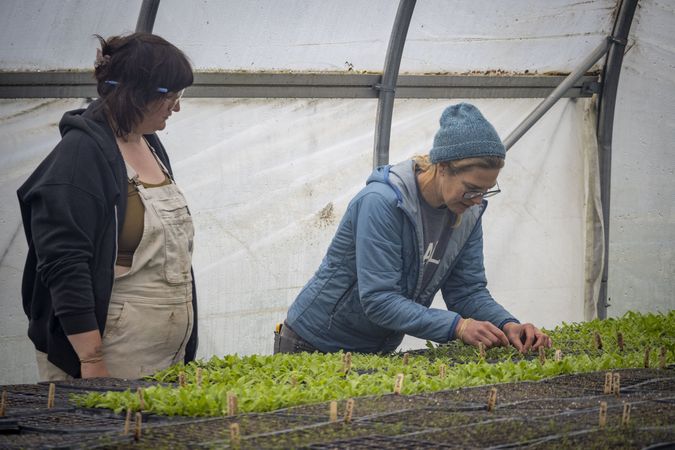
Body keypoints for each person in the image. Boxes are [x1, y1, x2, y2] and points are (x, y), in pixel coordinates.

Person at [276, 103, 551, 355]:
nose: (478, 200)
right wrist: (458, 327)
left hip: (375, 350)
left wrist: (507, 324)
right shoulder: (382, 202)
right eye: (472, 190)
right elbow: (379, 299)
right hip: (313, 343)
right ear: (443, 168)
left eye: (486, 191)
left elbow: (467, 291)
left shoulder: (468, 213)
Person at [17, 32, 198, 380]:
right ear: (138, 95)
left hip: (159, 358)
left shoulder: (149, 144)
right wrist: (92, 360)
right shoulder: (79, 158)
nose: (178, 106)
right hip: (109, 357)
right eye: (172, 95)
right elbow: (64, 262)